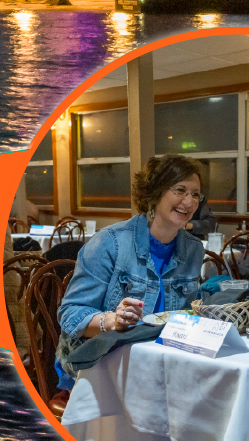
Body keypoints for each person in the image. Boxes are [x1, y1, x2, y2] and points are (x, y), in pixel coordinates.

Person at [56, 154, 208, 386]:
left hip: (158, 364)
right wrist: (113, 320)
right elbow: (70, 314)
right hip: (99, 366)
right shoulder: (110, 243)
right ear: (155, 192)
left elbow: (185, 315)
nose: (189, 202)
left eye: (195, 194)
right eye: (180, 190)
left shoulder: (194, 249)